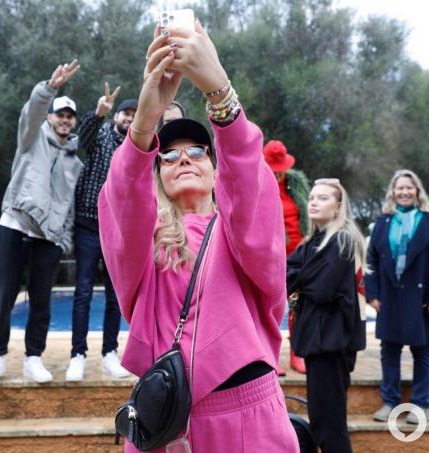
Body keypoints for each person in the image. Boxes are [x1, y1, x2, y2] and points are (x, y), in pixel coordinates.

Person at [98, 19, 299, 452]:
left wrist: (220, 92)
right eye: (167, 155)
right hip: (168, 423)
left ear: (215, 168)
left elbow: (249, 188)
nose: (182, 158)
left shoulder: (239, 229)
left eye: (197, 151)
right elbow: (121, 201)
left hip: (248, 416)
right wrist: (146, 118)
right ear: (156, 175)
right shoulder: (145, 243)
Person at [0, 60, 83, 387]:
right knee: (5, 297)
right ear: (50, 117)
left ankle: (32, 359)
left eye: (70, 117)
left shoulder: (75, 162)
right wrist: (49, 89)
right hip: (14, 226)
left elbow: (68, 206)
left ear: (73, 122)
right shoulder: (31, 137)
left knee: (41, 302)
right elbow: (31, 111)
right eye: (59, 115)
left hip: (47, 239)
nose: (64, 121)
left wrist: (63, 241)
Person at [364, 169, 429, 424]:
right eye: (399, 188)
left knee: (422, 351)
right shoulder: (383, 222)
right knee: (389, 351)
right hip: (389, 298)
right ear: (393, 192)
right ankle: (389, 402)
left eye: (409, 188)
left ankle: (421, 404)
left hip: (422, 299)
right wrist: (372, 293)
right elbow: (370, 261)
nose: (404, 192)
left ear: (417, 191)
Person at [287, 178, 367, 453]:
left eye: (323, 198)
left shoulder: (342, 240)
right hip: (318, 342)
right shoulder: (313, 243)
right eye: (312, 197)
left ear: (338, 207)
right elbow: (285, 277)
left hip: (333, 343)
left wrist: (299, 277)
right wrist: (300, 277)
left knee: (331, 426)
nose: (313, 202)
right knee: (321, 421)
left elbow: (321, 289)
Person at [66, 84, 137, 381]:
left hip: (118, 232)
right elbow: (82, 138)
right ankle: (77, 355)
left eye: (135, 115)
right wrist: (98, 114)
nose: (130, 120)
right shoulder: (103, 134)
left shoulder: (137, 145)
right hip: (88, 226)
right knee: (82, 292)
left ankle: (110, 353)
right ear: (117, 115)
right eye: (126, 114)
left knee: (113, 297)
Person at [263, 139, 311, 375]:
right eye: (273, 169)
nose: (278, 173)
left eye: (280, 169)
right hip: (269, 256)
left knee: (297, 304)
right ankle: (271, 355)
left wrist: (308, 236)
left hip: (298, 254)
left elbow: (308, 215)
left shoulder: (297, 185)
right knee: (270, 305)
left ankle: (297, 353)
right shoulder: (257, 184)